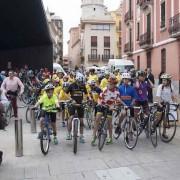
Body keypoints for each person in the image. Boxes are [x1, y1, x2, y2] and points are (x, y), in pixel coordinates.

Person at [91, 74, 123, 146]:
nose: (110, 84)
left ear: (115, 84)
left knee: (109, 121)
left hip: (110, 107)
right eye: (109, 83)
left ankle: (110, 138)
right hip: (102, 105)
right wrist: (99, 103)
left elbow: (118, 101)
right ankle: (94, 136)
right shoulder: (105, 89)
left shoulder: (117, 92)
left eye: (111, 83)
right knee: (97, 118)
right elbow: (99, 97)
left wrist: (114, 106)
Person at [66, 73, 87, 143]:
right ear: (77, 80)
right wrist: (71, 100)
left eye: (81, 82)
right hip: (73, 104)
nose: (81, 83)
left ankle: (81, 135)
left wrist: (85, 100)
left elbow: (86, 94)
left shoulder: (83, 86)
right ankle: (68, 134)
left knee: (81, 120)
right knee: (71, 117)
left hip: (80, 104)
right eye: (80, 82)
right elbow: (66, 94)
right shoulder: (71, 85)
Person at [155, 73, 176, 139]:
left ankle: (164, 133)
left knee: (165, 119)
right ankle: (153, 126)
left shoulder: (171, 87)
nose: (163, 81)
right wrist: (159, 104)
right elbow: (158, 97)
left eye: (165, 80)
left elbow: (173, 96)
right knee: (158, 118)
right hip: (161, 103)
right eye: (163, 80)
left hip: (167, 104)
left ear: (168, 81)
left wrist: (175, 102)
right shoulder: (160, 86)